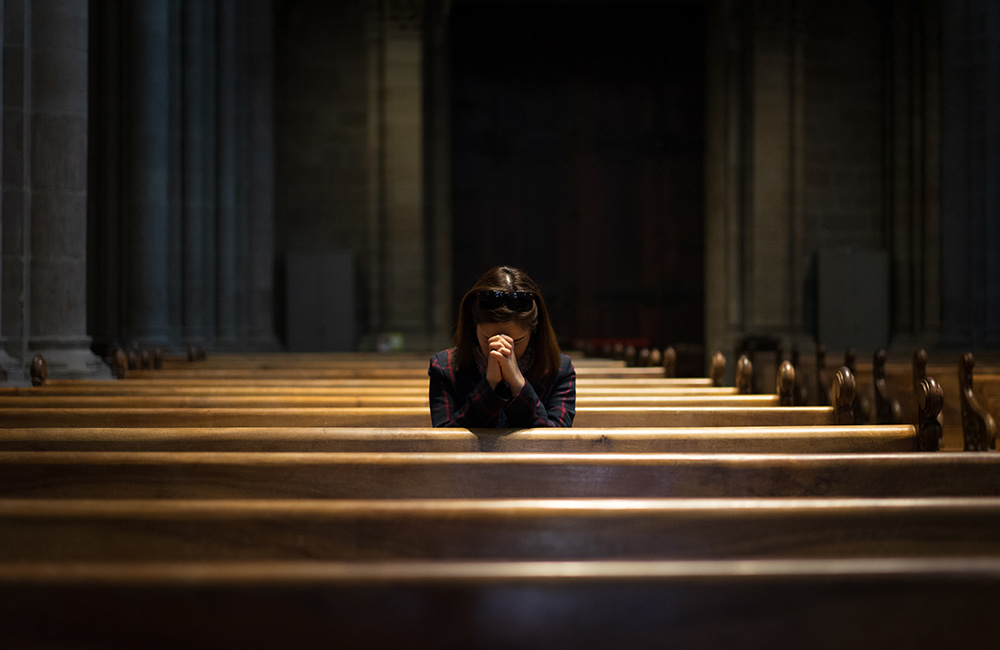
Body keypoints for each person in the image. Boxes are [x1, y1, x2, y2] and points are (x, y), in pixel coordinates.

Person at [428, 266, 575, 427]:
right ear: (473, 327)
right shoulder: (444, 367)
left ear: (533, 332)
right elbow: (445, 443)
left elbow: (557, 442)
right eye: (489, 339)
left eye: (516, 341)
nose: (501, 350)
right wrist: (490, 384)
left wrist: (517, 383)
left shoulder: (559, 369)